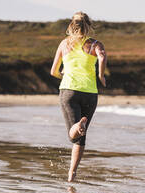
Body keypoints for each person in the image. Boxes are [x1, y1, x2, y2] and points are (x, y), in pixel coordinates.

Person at [50, 12, 107, 182]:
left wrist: (64, 75)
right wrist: (101, 75)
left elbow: (53, 71)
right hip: (90, 93)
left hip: (69, 91)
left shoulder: (64, 44)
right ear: (88, 25)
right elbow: (102, 56)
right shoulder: (95, 44)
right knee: (81, 139)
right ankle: (71, 175)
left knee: (73, 135)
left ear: (71, 25)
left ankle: (78, 124)